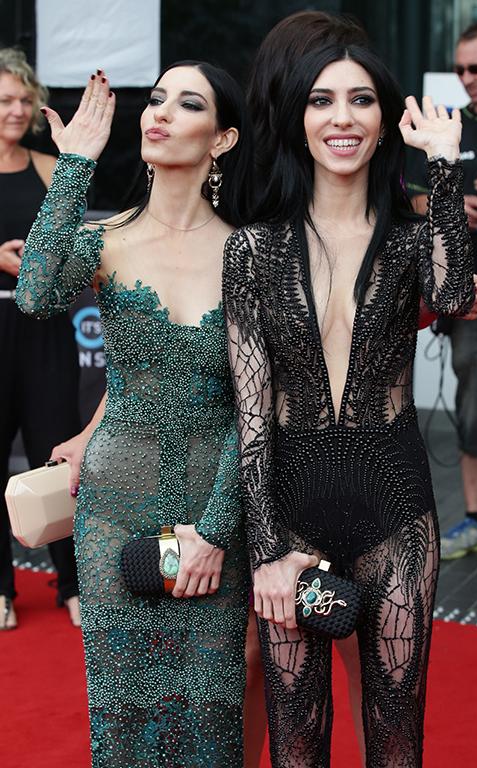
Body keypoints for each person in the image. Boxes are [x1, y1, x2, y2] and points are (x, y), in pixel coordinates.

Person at [223, 36, 477, 766]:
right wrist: (268, 551)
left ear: (386, 117)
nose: (343, 118)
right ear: (298, 118)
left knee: (397, 737)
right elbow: (251, 414)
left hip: (396, 506)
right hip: (292, 509)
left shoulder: (407, 240)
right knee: (297, 743)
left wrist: (444, 166)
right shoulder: (253, 249)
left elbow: (456, 295)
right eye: (322, 100)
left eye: (361, 99)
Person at [17, 63, 251, 765]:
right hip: (112, 509)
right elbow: (35, 294)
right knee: (122, 720)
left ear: (223, 138)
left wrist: (213, 528)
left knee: (210, 718)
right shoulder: (108, 240)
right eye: (155, 101)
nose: (161, 114)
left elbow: (261, 406)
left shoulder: (250, 252)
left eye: (187, 104)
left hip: (216, 514)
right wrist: (74, 167)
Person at [409, 22, 477, 562]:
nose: (467, 79)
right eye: (460, 69)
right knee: (472, 409)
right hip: (467, 298)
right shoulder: (448, 127)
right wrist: (449, 206)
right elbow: (412, 200)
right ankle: (475, 520)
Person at [0, 47, 80, 630]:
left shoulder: (48, 167)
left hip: (43, 330)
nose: (17, 109)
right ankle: (0, 588)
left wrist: (41, 265)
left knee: (58, 453)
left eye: (25, 99)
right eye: (5, 99)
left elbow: (73, 243)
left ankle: (72, 583)